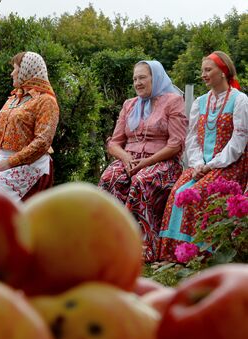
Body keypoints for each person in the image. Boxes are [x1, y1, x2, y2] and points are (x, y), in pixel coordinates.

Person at [159, 51, 247, 261]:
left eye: (208, 70)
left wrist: (213, 164)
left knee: (198, 193)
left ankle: (200, 256)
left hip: (229, 164)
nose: (203, 74)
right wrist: (198, 164)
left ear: (223, 71)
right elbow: (192, 138)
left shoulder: (240, 100)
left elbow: (239, 140)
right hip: (202, 166)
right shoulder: (200, 102)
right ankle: (174, 255)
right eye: (202, 71)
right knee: (178, 192)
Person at [98, 60, 188, 262]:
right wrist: (127, 158)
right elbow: (114, 143)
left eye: (142, 78)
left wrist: (145, 163)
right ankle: (109, 241)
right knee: (109, 178)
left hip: (163, 162)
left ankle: (141, 247)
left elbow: (175, 145)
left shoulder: (173, 101)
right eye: (134, 79)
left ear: (154, 78)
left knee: (141, 181)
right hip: (130, 160)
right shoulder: (129, 104)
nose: (137, 83)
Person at [0, 51, 59, 201]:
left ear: (27, 71)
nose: (12, 73)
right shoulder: (13, 99)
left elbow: (42, 142)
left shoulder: (46, 101)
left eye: (15, 69)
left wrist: (9, 162)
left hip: (29, 166)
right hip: (2, 163)